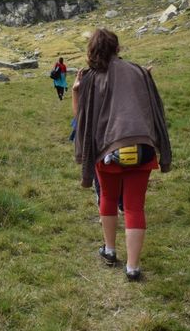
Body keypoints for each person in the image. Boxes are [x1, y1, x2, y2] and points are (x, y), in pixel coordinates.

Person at [72, 29, 171, 281]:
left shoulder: (91, 78)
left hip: (108, 150)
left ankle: (109, 251)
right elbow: (155, 108)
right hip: (142, 147)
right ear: (117, 48)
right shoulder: (138, 71)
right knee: (134, 206)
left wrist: (75, 91)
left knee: (107, 196)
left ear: (92, 51)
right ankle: (133, 267)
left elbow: (81, 119)